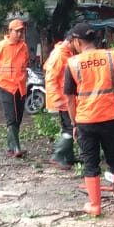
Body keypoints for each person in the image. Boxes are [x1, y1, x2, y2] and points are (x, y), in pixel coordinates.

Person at [63, 23, 114, 216]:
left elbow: (69, 98)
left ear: (77, 41)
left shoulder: (73, 63)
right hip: (110, 117)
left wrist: (74, 123)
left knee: (91, 163)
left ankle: (95, 206)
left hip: (86, 120)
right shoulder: (111, 57)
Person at [0, 19, 30, 157]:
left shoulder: (24, 47)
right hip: (4, 86)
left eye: (21, 31)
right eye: (17, 31)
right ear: (10, 31)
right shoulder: (1, 46)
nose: (20, 34)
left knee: (18, 117)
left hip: (20, 87)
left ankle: (10, 147)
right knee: (11, 117)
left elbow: (24, 65)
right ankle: (16, 148)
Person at [43, 37, 78, 169]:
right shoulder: (59, 55)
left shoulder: (65, 53)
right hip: (63, 99)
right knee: (70, 127)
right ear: (71, 41)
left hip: (65, 98)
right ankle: (58, 155)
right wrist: (56, 98)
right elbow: (51, 78)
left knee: (67, 127)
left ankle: (68, 157)